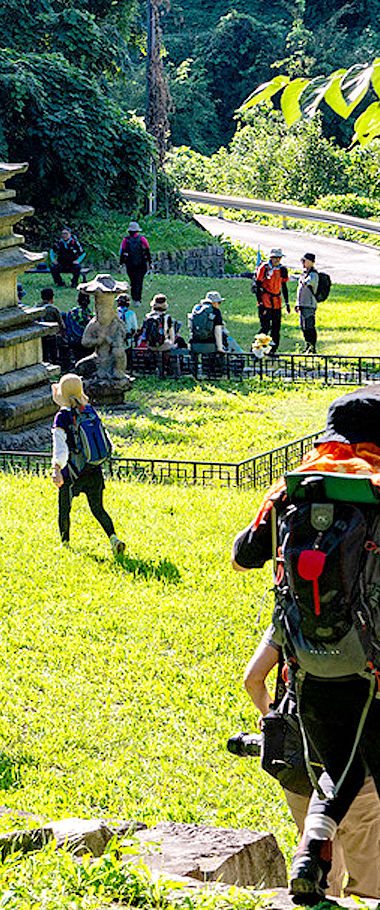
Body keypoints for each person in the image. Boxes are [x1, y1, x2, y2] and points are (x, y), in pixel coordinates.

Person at [231, 386, 380, 903]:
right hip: (374, 680)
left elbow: (243, 554)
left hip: (306, 680)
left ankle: (312, 855)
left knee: (329, 784)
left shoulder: (293, 488)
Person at [243, 632, 380, 900]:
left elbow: (253, 679)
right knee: (367, 883)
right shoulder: (370, 605)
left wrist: (271, 715)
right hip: (360, 768)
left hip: (301, 765)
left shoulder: (292, 607)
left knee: (319, 870)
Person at [50, 373, 125, 555]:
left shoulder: (62, 418)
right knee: (98, 509)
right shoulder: (89, 410)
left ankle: (65, 544)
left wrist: (56, 469)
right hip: (93, 469)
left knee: (64, 509)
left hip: (72, 472)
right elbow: (105, 437)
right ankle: (113, 538)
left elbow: (60, 447)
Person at [254, 248, 290, 355]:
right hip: (265, 301)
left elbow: (284, 286)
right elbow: (257, 286)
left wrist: (287, 303)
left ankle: (273, 351)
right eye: (275, 258)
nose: (277, 260)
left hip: (277, 302)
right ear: (271, 258)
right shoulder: (264, 268)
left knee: (276, 328)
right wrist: (260, 303)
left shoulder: (282, 270)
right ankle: (257, 349)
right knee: (265, 327)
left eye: (279, 258)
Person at [118, 221, 151, 304]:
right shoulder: (142, 239)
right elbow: (147, 251)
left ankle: (134, 297)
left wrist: (121, 264)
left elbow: (122, 253)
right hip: (141, 263)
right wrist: (150, 263)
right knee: (139, 281)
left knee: (132, 280)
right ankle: (138, 299)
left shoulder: (125, 240)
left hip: (130, 264)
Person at [296, 253, 320, 354]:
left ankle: (312, 347)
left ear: (311, 262)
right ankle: (307, 346)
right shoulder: (304, 273)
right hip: (302, 304)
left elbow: (308, 282)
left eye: (304, 261)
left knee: (309, 326)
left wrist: (303, 280)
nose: (303, 263)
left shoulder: (313, 274)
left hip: (309, 304)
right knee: (303, 327)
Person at [38, 287, 63, 364]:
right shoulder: (53, 309)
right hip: (52, 335)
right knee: (53, 352)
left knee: (43, 352)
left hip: (40, 335)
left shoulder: (37, 308)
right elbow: (61, 324)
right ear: (52, 298)